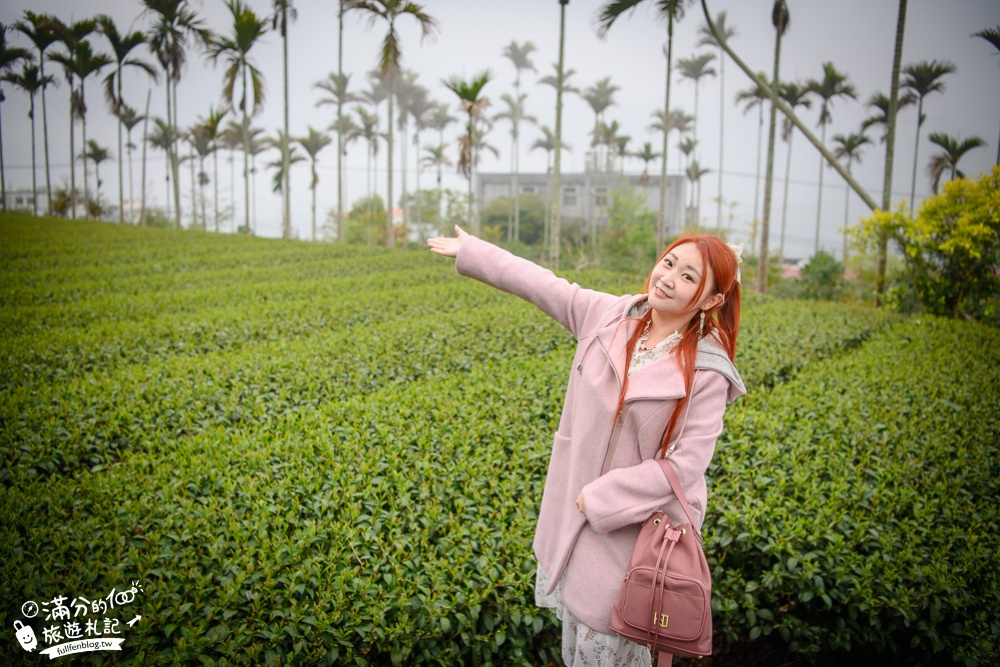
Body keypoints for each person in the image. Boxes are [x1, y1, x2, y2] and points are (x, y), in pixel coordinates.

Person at [427, 226, 746, 667]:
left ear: (711, 301)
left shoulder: (707, 371)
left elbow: (686, 465)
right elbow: (544, 285)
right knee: (578, 644)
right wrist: (475, 252)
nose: (669, 277)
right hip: (574, 523)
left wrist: (601, 497)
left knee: (609, 638)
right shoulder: (609, 317)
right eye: (669, 263)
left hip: (634, 535)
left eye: (689, 277)